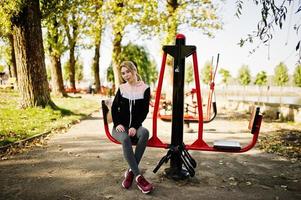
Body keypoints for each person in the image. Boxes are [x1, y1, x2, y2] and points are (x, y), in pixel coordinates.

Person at [111, 61, 154, 194]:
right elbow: (113, 108)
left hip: (135, 126)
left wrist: (135, 126)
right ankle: (138, 177)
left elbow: (144, 111)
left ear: (134, 71)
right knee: (125, 139)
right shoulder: (122, 88)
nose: (125, 75)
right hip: (120, 127)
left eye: (128, 72)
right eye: (123, 73)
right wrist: (117, 123)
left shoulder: (145, 88)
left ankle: (130, 172)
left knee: (145, 132)